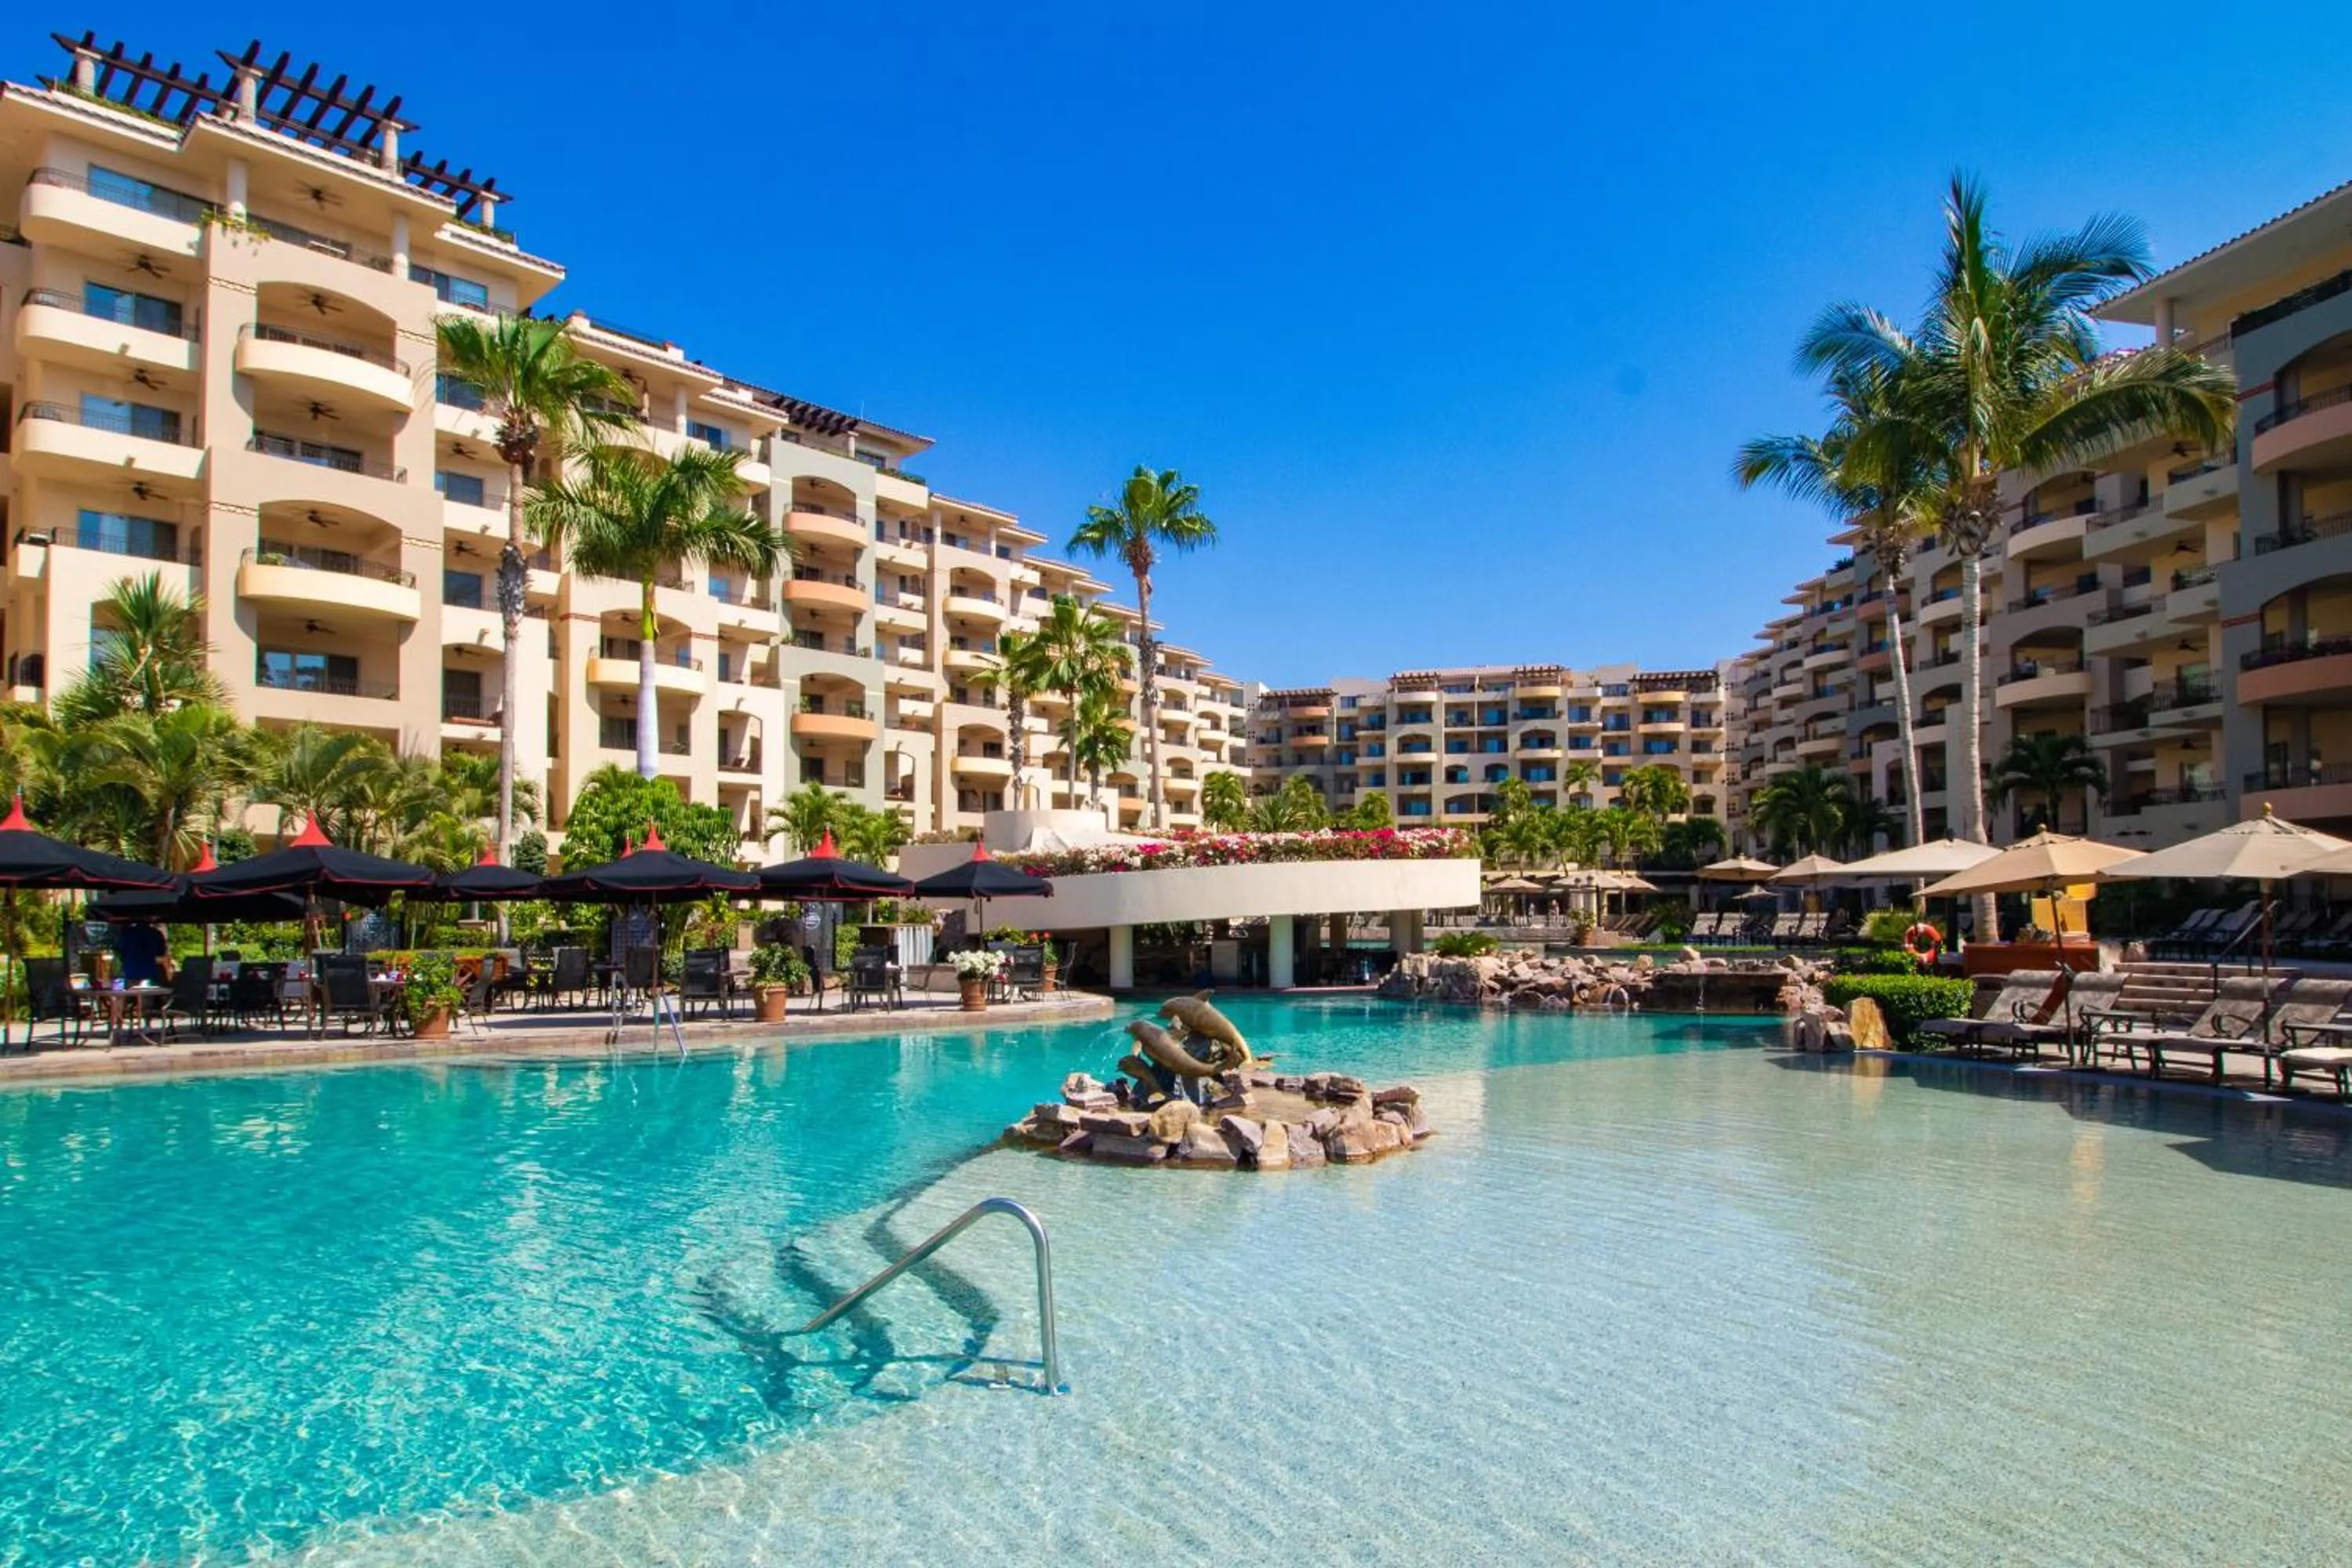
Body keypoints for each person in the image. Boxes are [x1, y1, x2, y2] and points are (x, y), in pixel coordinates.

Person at [115, 919, 167, 987]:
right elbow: (161, 953)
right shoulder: (156, 934)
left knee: (130, 994)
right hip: (151, 974)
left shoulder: (126, 933)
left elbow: (119, 951)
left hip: (130, 974)